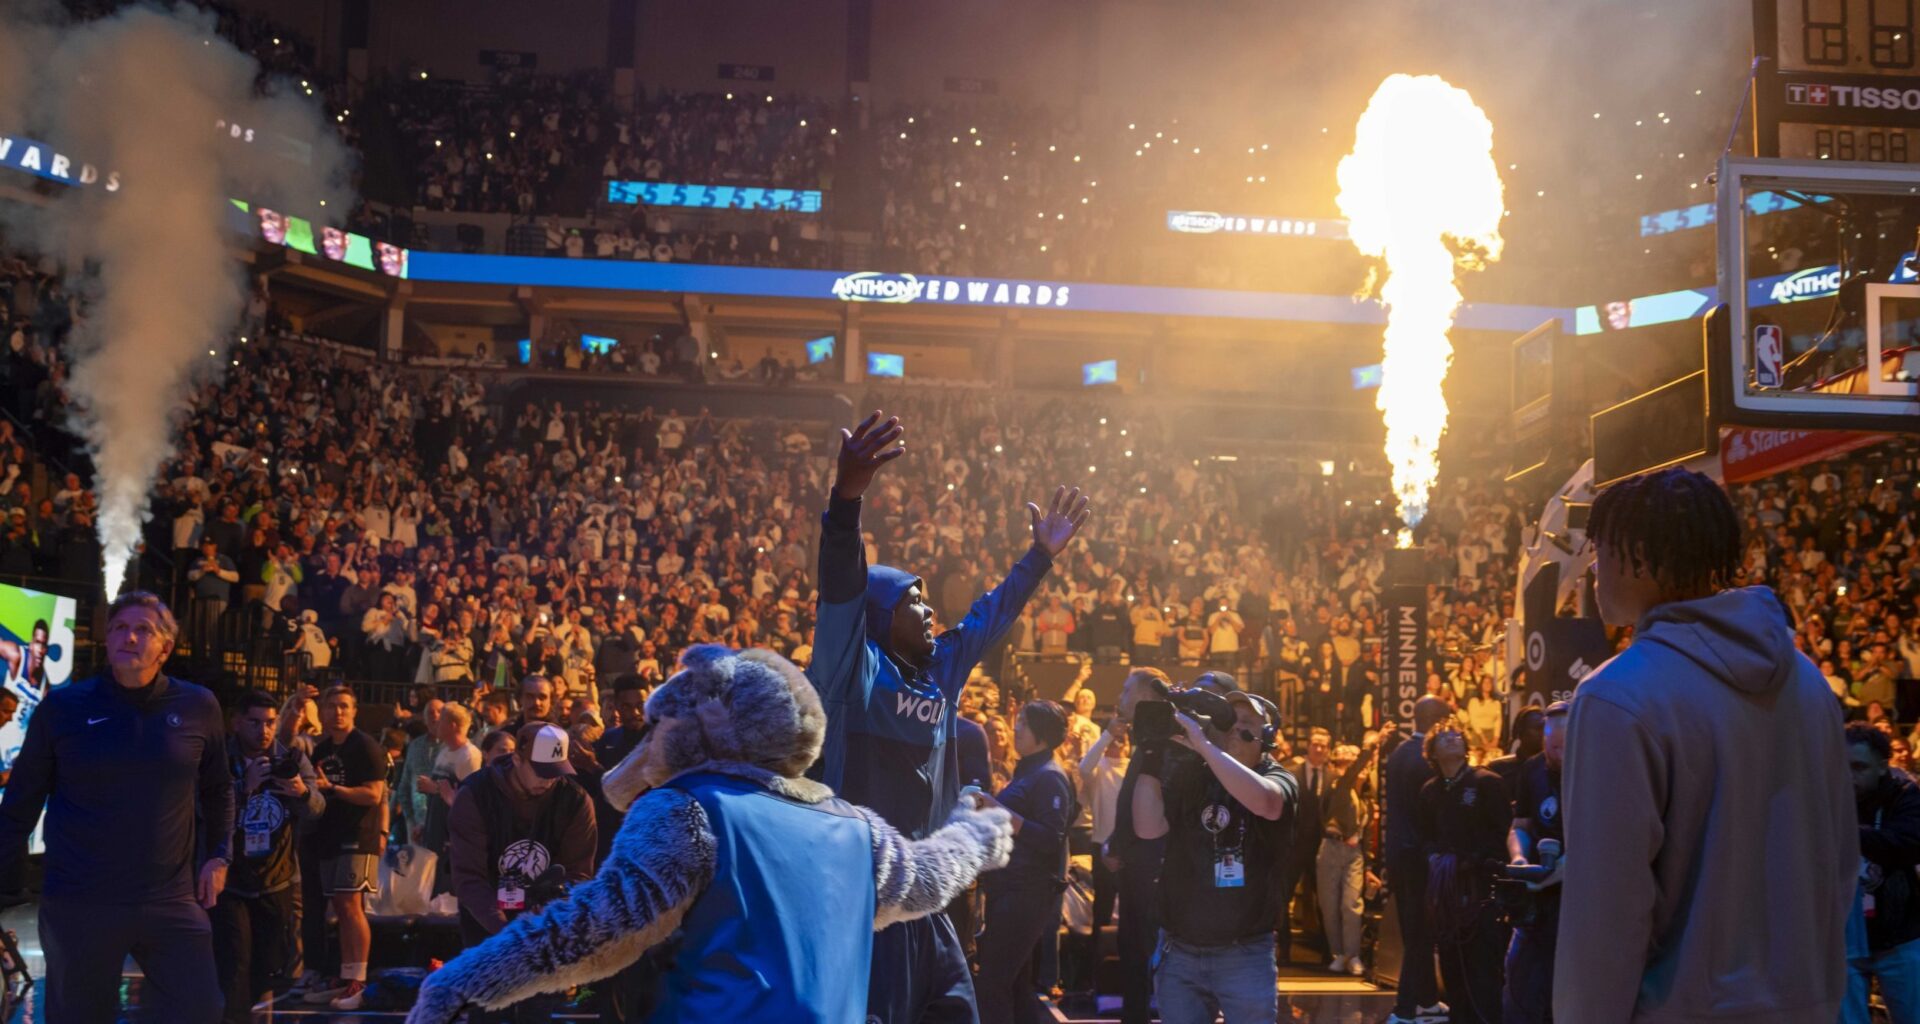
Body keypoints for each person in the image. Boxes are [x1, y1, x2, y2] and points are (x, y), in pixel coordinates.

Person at [406, 645, 1016, 1024]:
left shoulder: (688, 810)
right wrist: (979, 832)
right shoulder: (855, 830)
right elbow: (933, 875)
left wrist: (460, 982)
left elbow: (586, 933)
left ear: (707, 723)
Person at [807, 411, 1087, 1024]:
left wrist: (1040, 556)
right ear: (879, 619)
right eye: (914, 600)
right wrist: (847, 500)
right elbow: (839, 589)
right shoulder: (851, 669)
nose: (930, 610)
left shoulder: (942, 672)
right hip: (868, 902)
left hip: (930, 901)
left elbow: (993, 614)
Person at [1557, 468, 1856, 1023]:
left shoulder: (1615, 696)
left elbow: (1607, 912)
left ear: (1639, 556)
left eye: (1599, 552)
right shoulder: (1810, 684)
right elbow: (1839, 864)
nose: (1592, 571)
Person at [0, 591, 233, 1023]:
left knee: (201, 1010)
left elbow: (219, 788)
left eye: (143, 629)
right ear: (107, 641)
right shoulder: (64, 707)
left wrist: (219, 855)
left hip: (170, 898)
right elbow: (21, 801)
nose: (129, 637)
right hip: (80, 900)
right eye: (119, 628)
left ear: (165, 647)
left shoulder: (199, 706)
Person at [1130, 688, 1294, 1024]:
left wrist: (1204, 746)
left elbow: (1267, 803)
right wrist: (1151, 754)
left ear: (1265, 736)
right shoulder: (1192, 774)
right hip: (1181, 952)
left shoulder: (1276, 776)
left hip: (1244, 954)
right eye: (1227, 720)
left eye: (1245, 722)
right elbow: (1147, 827)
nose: (1233, 727)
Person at [445, 722, 599, 1019]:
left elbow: (579, 872)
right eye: (541, 771)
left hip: (542, 921)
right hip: (485, 914)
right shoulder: (475, 796)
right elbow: (468, 877)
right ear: (517, 760)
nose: (549, 780)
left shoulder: (576, 800)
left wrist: (557, 907)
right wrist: (506, 933)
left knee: (538, 1009)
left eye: (556, 771)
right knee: (488, 1006)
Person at [214, 688, 324, 1024]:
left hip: (276, 878)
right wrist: (243, 787)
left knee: (270, 964)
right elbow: (203, 810)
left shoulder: (289, 757)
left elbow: (318, 811)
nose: (263, 731)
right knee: (234, 962)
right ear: (235, 722)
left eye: (270, 723)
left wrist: (303, 794)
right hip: (230, 878)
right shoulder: (219, 758)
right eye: (254, 722)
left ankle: (257, 1015)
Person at [974, 700, 1078, 1024]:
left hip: (1025, 895)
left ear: (1041, 734)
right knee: (1016, 985)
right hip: (1008, 890)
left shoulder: (1049, 777)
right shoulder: (1031, 770)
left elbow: (1050, 838)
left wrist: (998, 809)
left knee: (993, 982)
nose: (1016, 728)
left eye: (1022, 723)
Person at [301, 686, 389, 1011]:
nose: (337, 712)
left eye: (343, 706)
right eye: (331, 706)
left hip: (358, 837)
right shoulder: (321, 749)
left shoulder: (365, 746)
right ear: (321, 712)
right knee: (339, 907)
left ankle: (358, 980)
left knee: (352, 906)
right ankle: (344, 974)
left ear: (354, 711)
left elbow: (373, 794)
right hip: (329, 837)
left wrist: (334, 788)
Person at [1103, 667, 1171, 1024]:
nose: (1120, 697)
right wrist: (1116, 843)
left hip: (1152, 873)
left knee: (1147, 955)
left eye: (1127, 690)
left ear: (1145, 697)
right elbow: (1132, 803)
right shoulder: (1144, 742)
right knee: (1132, 953)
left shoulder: (1164, 745)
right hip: (1133, 869)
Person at [1844, 721, 1920, 1023]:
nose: (1849, 777)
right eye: (1843, 766)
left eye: (1859, 767)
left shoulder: (1905, 796)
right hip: (1845, 935)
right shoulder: (1826, 797)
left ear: (1881, 766)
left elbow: (1908, 843)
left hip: (1900, 935)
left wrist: (1844, 832)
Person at [1385, 695, 1452, 1024]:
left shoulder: (1398, 753)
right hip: (1418, 857)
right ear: (1438, 722)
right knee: (1420, 933)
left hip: (1398, 853)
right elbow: (1430, 813)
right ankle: (1403, 1008)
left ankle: (1426, 1000)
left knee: (1415, 931)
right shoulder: (1426, 760)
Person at [1503, 701, 1567, 1024]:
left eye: (1563, 747)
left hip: (1577, 902)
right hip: (1537, 897)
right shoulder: (1532, 769)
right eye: (1551, 747)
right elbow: (1521, 826)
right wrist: (1518, 856)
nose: (1557, 755)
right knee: (1520, 984)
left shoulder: (1596, 766)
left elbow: (1600, 839)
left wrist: (1558, 872)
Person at [1317, 737, 1378, 977]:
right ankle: (1338, 953)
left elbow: (1366, 836)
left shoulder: (1365, 799)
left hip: (1354, 853)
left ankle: (1353, 955)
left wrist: (1369, 865)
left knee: (1351, 905)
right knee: (1330, 906)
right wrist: (1372, 746)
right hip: (1331, 849)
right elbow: (1349, 775)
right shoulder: (1338, 786)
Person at [594, 673, 648, 766]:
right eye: (627, 707)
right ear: (617, 705)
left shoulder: (663, 740)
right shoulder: (608, 739)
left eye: (640, 706)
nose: (635, 712)